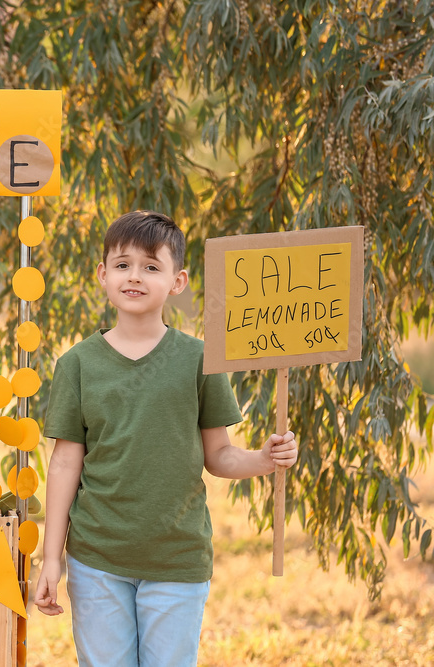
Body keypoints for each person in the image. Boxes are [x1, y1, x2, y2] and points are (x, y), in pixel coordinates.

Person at [32, 211, 298, 667]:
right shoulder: (77, 364)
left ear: (177, 281)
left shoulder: (200, 359)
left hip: (177, 558)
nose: (135, 276)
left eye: (151, 266)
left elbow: (219, 456)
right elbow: (64, 464)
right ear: (102, 274)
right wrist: (50, 557)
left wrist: (265, 458)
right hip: (97, 557)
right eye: (123, 264)